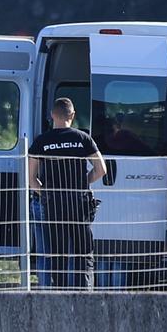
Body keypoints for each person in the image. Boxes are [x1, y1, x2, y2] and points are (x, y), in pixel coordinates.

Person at [27, 97, 106, 289]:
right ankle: (83, 295)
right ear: (72, 115)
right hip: (79, 205)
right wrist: (80, 183)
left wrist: (46, 192)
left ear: (52, 115)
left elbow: (30, 178)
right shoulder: (83, 138)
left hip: (53, 206)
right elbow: (101, 169)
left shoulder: (41, 141)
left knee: (57, 254)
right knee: (83, 254)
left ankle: (58, 294)